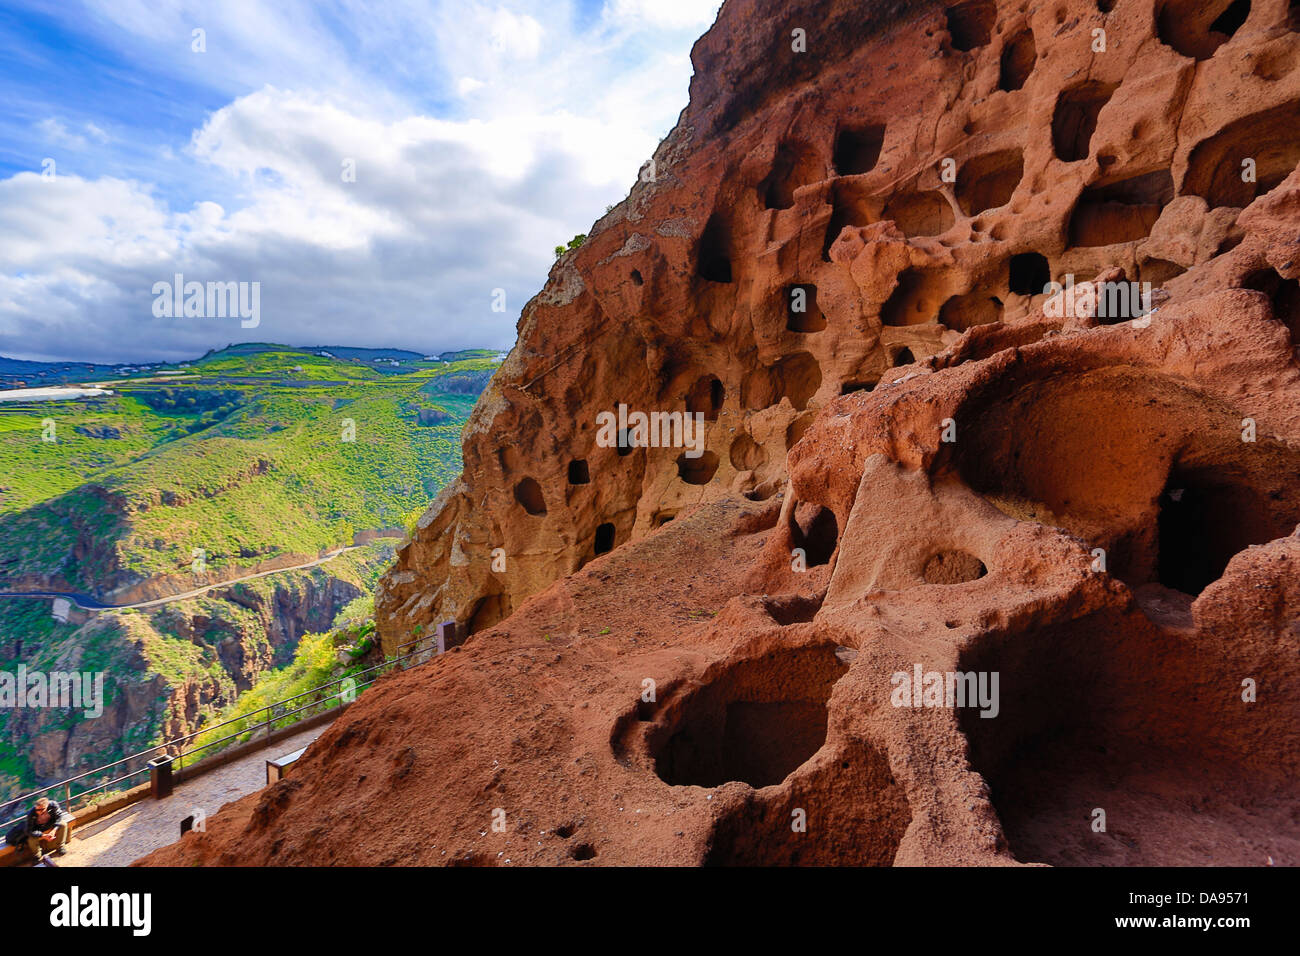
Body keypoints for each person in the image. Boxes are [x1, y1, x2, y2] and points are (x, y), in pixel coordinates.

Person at [24, 797, 70, 864]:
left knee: (63, 824)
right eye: (37, 810)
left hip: (50, 824)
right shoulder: (31, 813)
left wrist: (54, 830)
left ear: (47, 805)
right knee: (31, 839)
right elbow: (29, 831)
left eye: (41, 809)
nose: (38, 812)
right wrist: (43, 835)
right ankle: (38, 855)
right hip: (38, 828)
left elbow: (59, 817)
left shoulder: (53, 805)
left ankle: (60, 846)